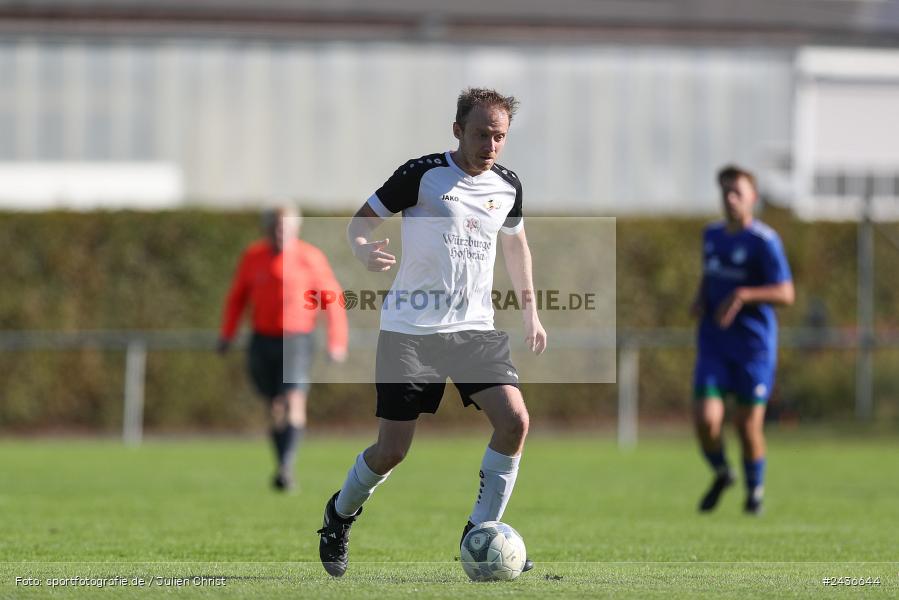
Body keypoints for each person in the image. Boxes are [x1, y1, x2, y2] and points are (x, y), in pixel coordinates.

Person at [316, 87, 546, 577]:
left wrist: (531, 310)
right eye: (482, 133)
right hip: (409, 331)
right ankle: (339, 515)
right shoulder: (420, 175)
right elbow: (361, 224)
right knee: (392, 451)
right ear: (458, 130)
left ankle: (480, 532)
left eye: (500, 136)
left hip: (473, 331)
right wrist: (362, 249)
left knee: (515, 423)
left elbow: (516, 246)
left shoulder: (508, 186)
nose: (490, 145)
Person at [218, 204, 348, 491]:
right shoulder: (253, 257)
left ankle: (287, 465)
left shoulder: (310, 258)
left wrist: (336, 341)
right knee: (274, 407)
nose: (281, 232)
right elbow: (236, 298)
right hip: (263, 339)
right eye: (276, 227)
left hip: (297, 339)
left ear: (296, 229)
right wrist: (226, 334)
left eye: (286, 227)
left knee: (293, 400)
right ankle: (282, 465)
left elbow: (333, 300)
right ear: (267, 228)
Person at [691, 166, 794, 515]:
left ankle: (754, 494)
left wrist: (744, 294)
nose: (730, 198)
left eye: (737, 192)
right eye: (725, 192)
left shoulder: (765, 241)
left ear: (754, 198)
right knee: (706, 421)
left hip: (754, 348)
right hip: (714, 343)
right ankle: (723, 472)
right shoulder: (712, 235)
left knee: (747, 427)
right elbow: (709, 275)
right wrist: (699, 297)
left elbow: (785, 292)